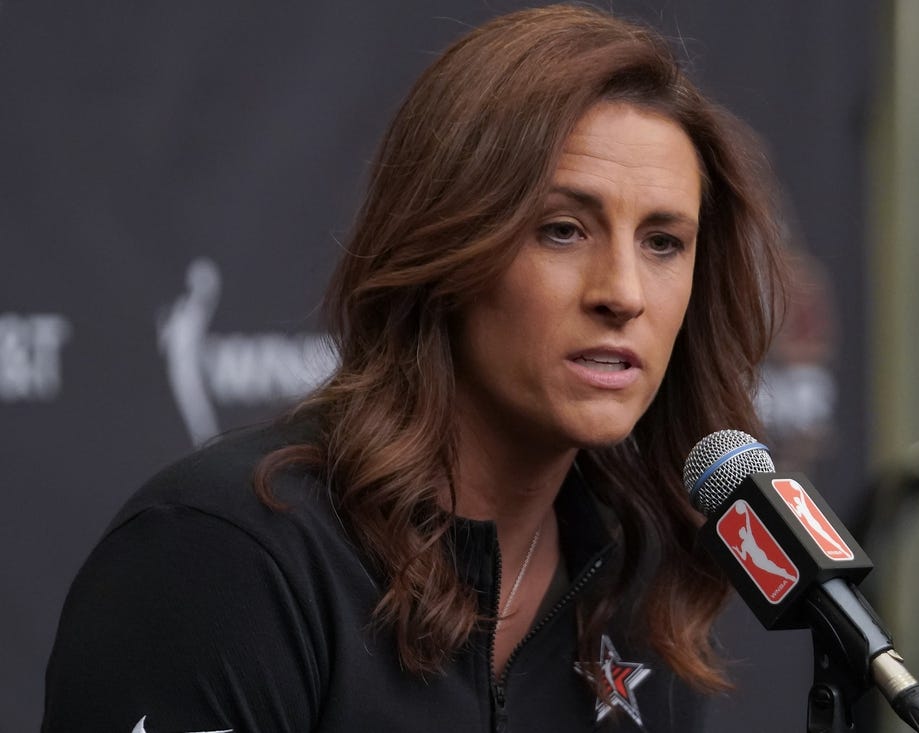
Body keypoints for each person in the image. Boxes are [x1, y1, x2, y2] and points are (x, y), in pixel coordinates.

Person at [42, 4, 786, 732]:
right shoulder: (224, 557)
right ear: (445, 246)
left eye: (664, 242)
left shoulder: (638, 587)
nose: (622, 293)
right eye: (561, 230)